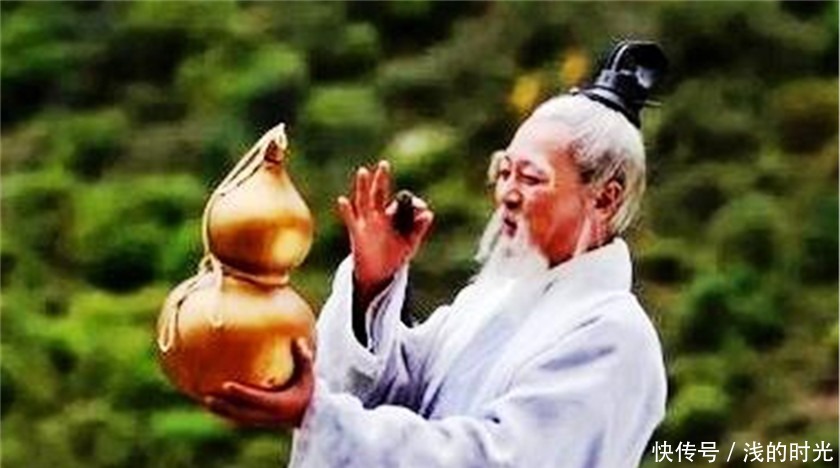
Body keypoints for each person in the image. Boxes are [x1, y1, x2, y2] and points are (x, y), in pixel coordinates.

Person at [206, 41, 669, 468]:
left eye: (531, 178)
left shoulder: (614, 336)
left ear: (605, 198)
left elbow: (497, 459)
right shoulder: (489, 301)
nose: (507, 193)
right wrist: (373, 284)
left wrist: (324, 417)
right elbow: (397, 393)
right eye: (504, 172)